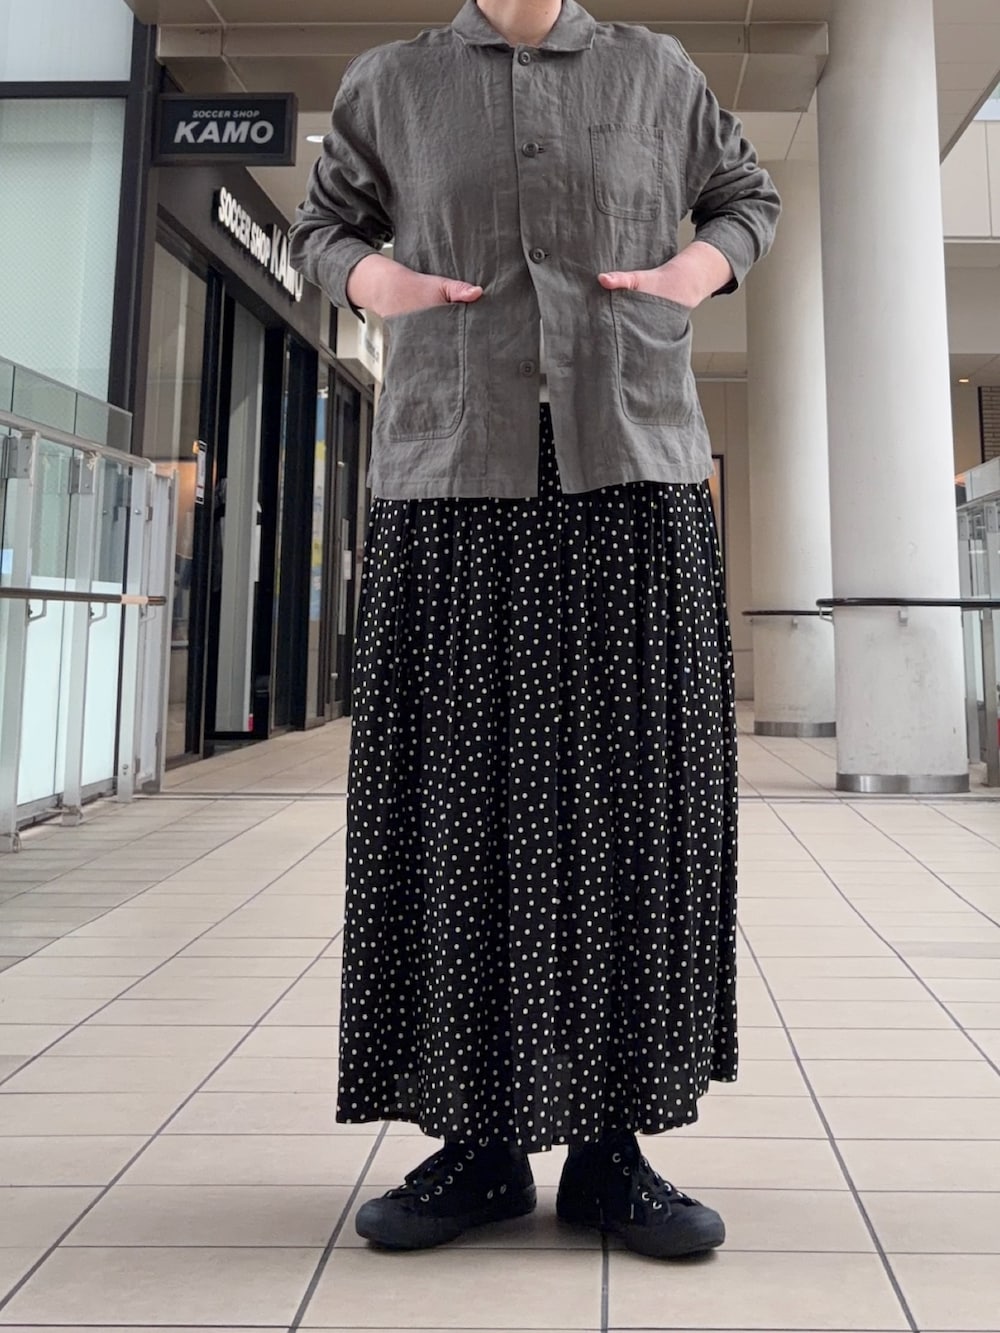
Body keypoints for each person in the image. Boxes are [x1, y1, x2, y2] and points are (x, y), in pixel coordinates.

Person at [289, 0, 779, 1259]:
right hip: (453, 476)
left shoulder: (656, 71)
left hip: (633, 473)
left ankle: (614, 1149)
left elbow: (745, 198)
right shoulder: (392, 82)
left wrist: (688, 274)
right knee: (458, 805)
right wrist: (376, 279)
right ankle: (479, 1144)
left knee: (632, 806)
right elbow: (322, 225)